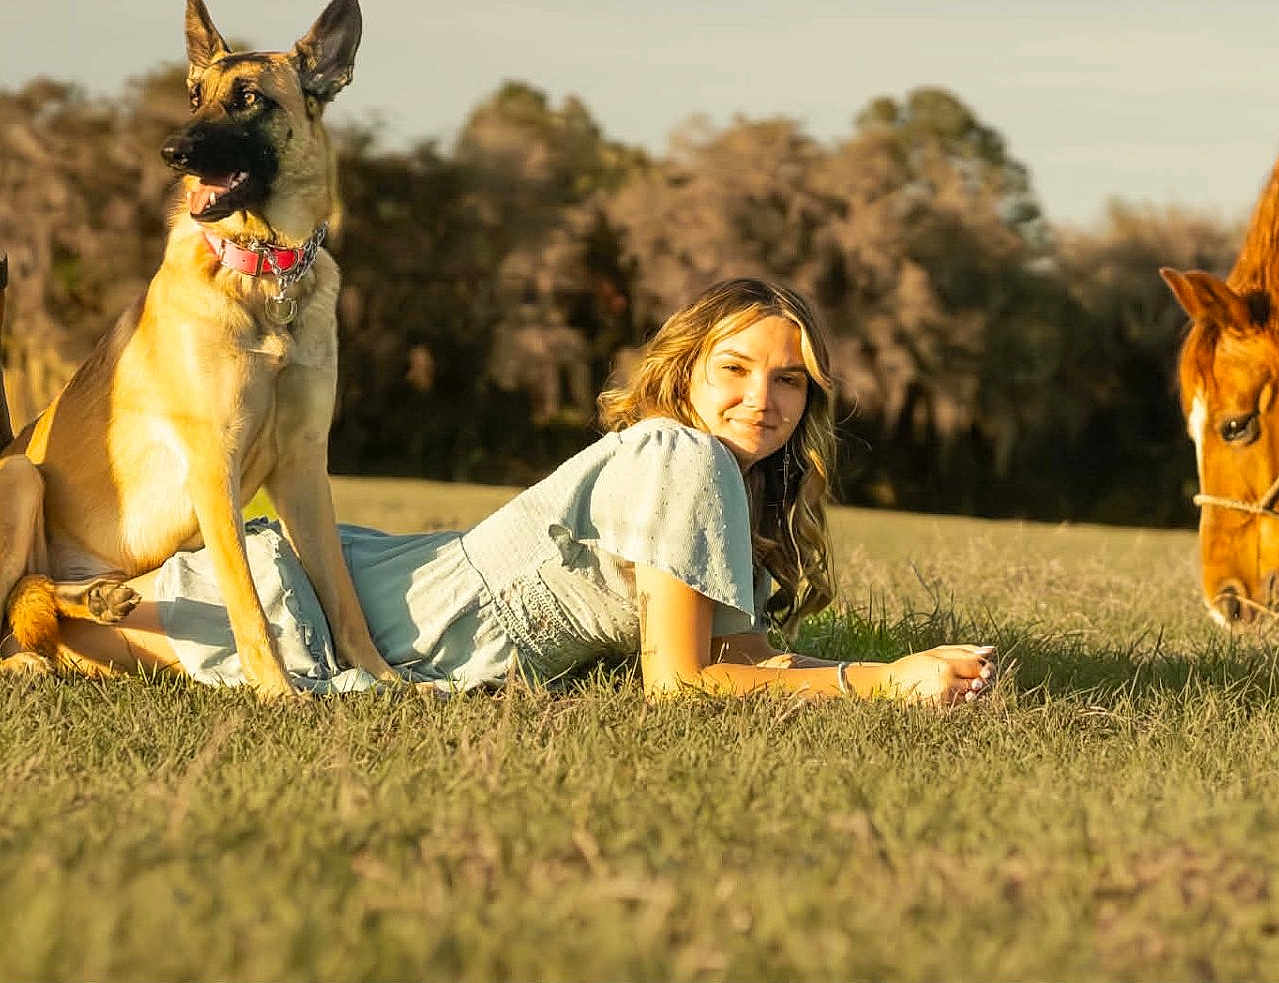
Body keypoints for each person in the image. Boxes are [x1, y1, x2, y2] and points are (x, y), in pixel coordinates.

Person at [45, 279, 995, 704]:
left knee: (44, 646)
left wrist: (913, 667)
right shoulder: (680, 457)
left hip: (412, 596)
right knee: (30, 631)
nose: (763, 398)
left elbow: (743, 655)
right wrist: (878, 684)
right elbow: (682, 686)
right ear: (686, 373)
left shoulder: (722, 488)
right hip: (386, 617)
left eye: (789, 379)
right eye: (736, 368)